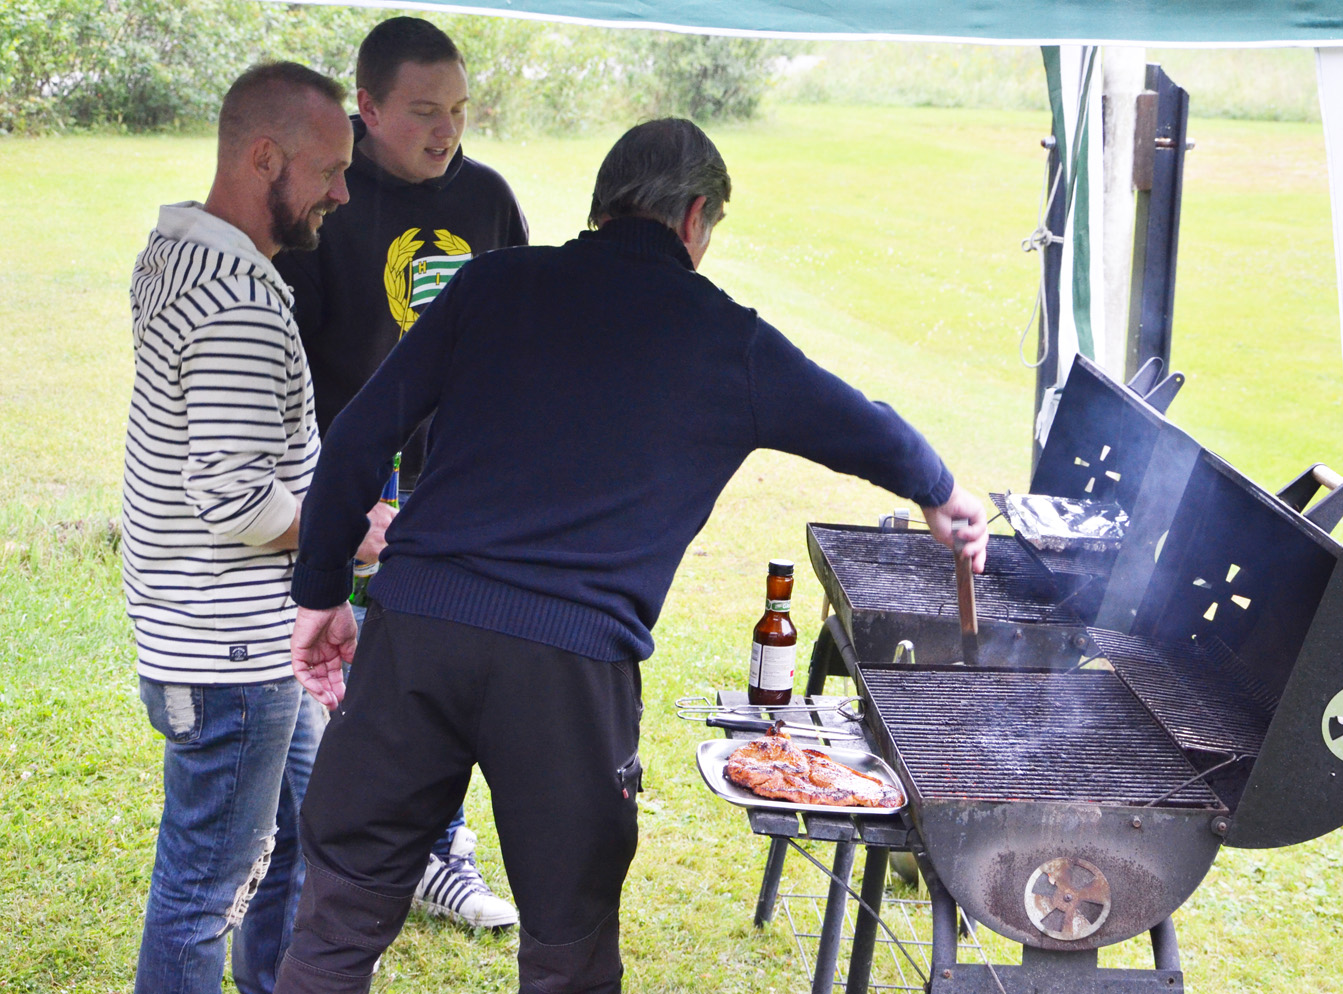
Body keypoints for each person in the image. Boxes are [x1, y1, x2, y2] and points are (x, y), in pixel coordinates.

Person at [273, 118, 991, 994]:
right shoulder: (730, 339)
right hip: (568, 675)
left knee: (337, 924)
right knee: (567, 947)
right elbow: (858, 424)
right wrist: (941, 491)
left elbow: (355, 440)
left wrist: (320, 597)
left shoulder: (492, 286)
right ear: (694, 219)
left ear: (604, 203)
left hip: (416, 634)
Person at [122, 63, 392, 994]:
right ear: (264, 156)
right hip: (227, 658)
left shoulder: (177, 252)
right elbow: (235, 500)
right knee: (202, 894)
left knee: (299, 839)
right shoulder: (240, 297)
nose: (343, 193)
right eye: (327, 171)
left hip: (231, 641)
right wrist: (353, 529)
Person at [274, 15, 527, 932]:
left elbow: (520, 336)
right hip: (349, 480)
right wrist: (343, 498)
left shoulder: (491, 200)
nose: (446, 130)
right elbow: (291, 362)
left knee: (446, 668)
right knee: (349, 669)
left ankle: (441, 852)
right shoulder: (326, 207)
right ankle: (347, 847)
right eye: (424, 110)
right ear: (368, 107)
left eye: (458, 110)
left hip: (456, 481)